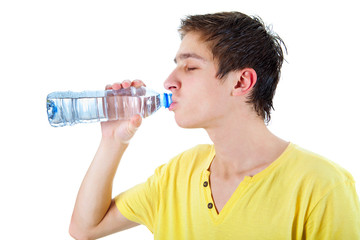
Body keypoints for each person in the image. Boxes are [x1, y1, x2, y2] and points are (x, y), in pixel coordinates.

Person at [69, 11, 360, 239]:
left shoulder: (322, 186)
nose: (169, 81)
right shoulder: (177, 173)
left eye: (190, 66)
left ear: (241, 82)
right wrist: (113, 140)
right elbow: (85, 229)